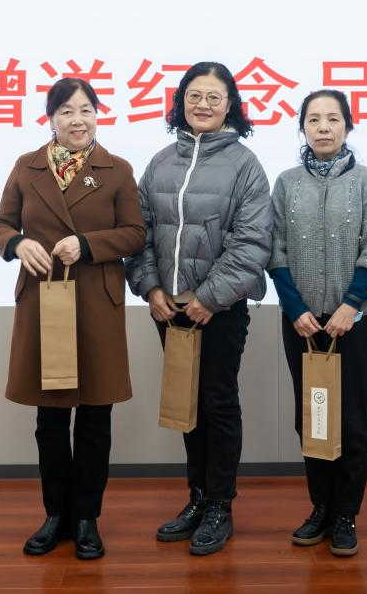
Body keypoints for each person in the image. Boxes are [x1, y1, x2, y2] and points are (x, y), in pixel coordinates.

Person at [0, 78, 146, 560]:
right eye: (67, 112)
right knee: (51, 418)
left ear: (98, 114)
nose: (78, 120)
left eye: (86, 110)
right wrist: (18, 244)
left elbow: (136, 233)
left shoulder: (117, 169)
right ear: (51, 119)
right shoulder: (27, 166)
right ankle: (55, 514)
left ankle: (86, 518)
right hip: (44, 301)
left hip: (96, 304)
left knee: (96, 418)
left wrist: (89, 244)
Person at [125, 61, 272, 556]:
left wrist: (209, 297)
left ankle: (220, 506)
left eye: (213, 96)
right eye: (194, 95)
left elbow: (253, 241)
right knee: (185, 407)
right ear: (180, 101)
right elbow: (140, 232)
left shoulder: (245, 164)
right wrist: (151, 288)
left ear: (230, 105)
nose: (202, 104)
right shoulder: (161, 161)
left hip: (220, 310)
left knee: (218, 402)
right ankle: (197, 498)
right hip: (169, 310)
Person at [268, 89, 367, 557]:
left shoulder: (366, 182)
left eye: (333, 119)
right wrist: (294, 308)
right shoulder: (286, 183)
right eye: (314, 119)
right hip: (302, 323)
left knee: (354, 421)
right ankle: (320, 507)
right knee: (312, 418)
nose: (323, 127)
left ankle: (346, 513)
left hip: (353, 323)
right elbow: (274, 249)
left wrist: (350, 304)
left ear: (348, 126)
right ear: (302, 127)